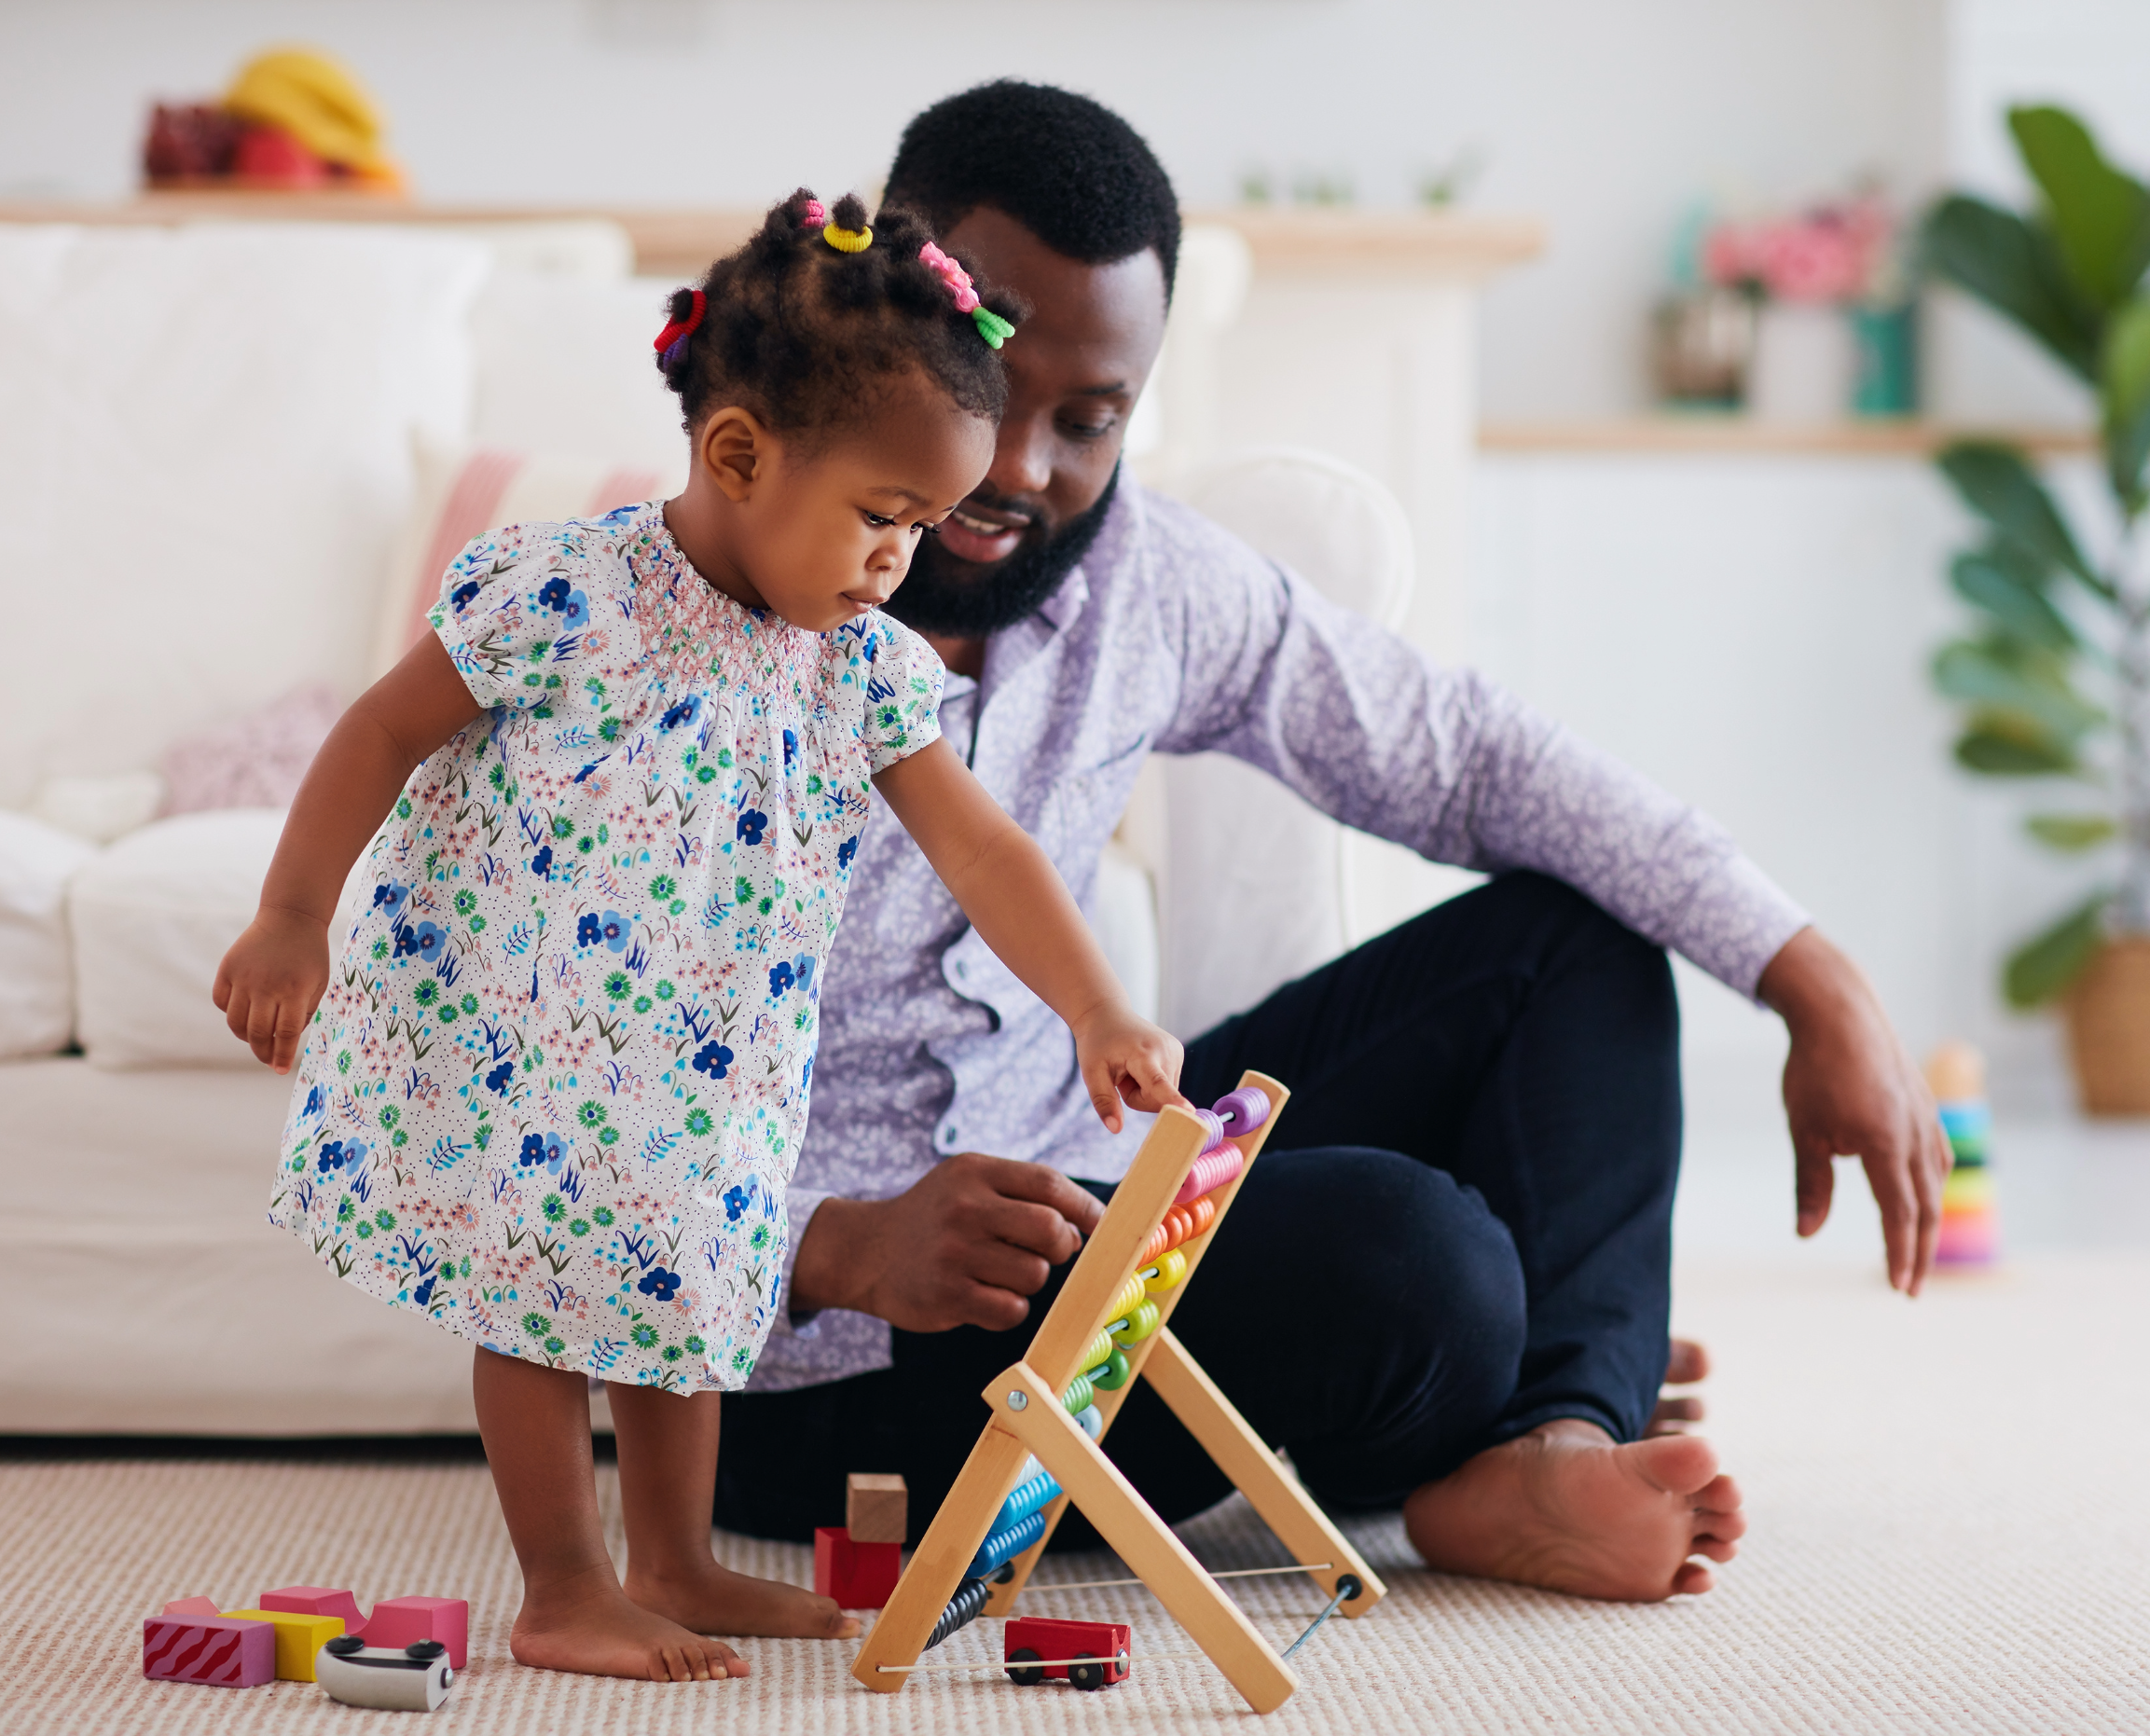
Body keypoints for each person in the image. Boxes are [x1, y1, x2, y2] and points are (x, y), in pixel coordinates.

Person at [709, 85, 1952, 1605]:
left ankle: (1546, 1442)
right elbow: (554, 1116)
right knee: (1414, 1264)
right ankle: (1492, 1386)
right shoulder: (683, 645)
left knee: (1576, 943)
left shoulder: (1145, 584)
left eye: (1087, 419)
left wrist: (1807, 972)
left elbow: (1469, 753)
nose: (1019, 468)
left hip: (1092, 1214)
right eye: (989, 383)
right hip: (819, 1379)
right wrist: (842, 1246)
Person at [213, 189, 1191, 1682]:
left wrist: (1097, 1009)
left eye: (923, 528)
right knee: (537, 1301)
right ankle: (565, 1585)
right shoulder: (570, 593)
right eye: (881, 516)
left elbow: (981, 844)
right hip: (527, 1027)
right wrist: (293, 916)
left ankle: (673, 1557)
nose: (901, 563)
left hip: (711, 1055)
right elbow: (384, 727)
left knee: (691, 1288)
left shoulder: (856, 664)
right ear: (738, 454)